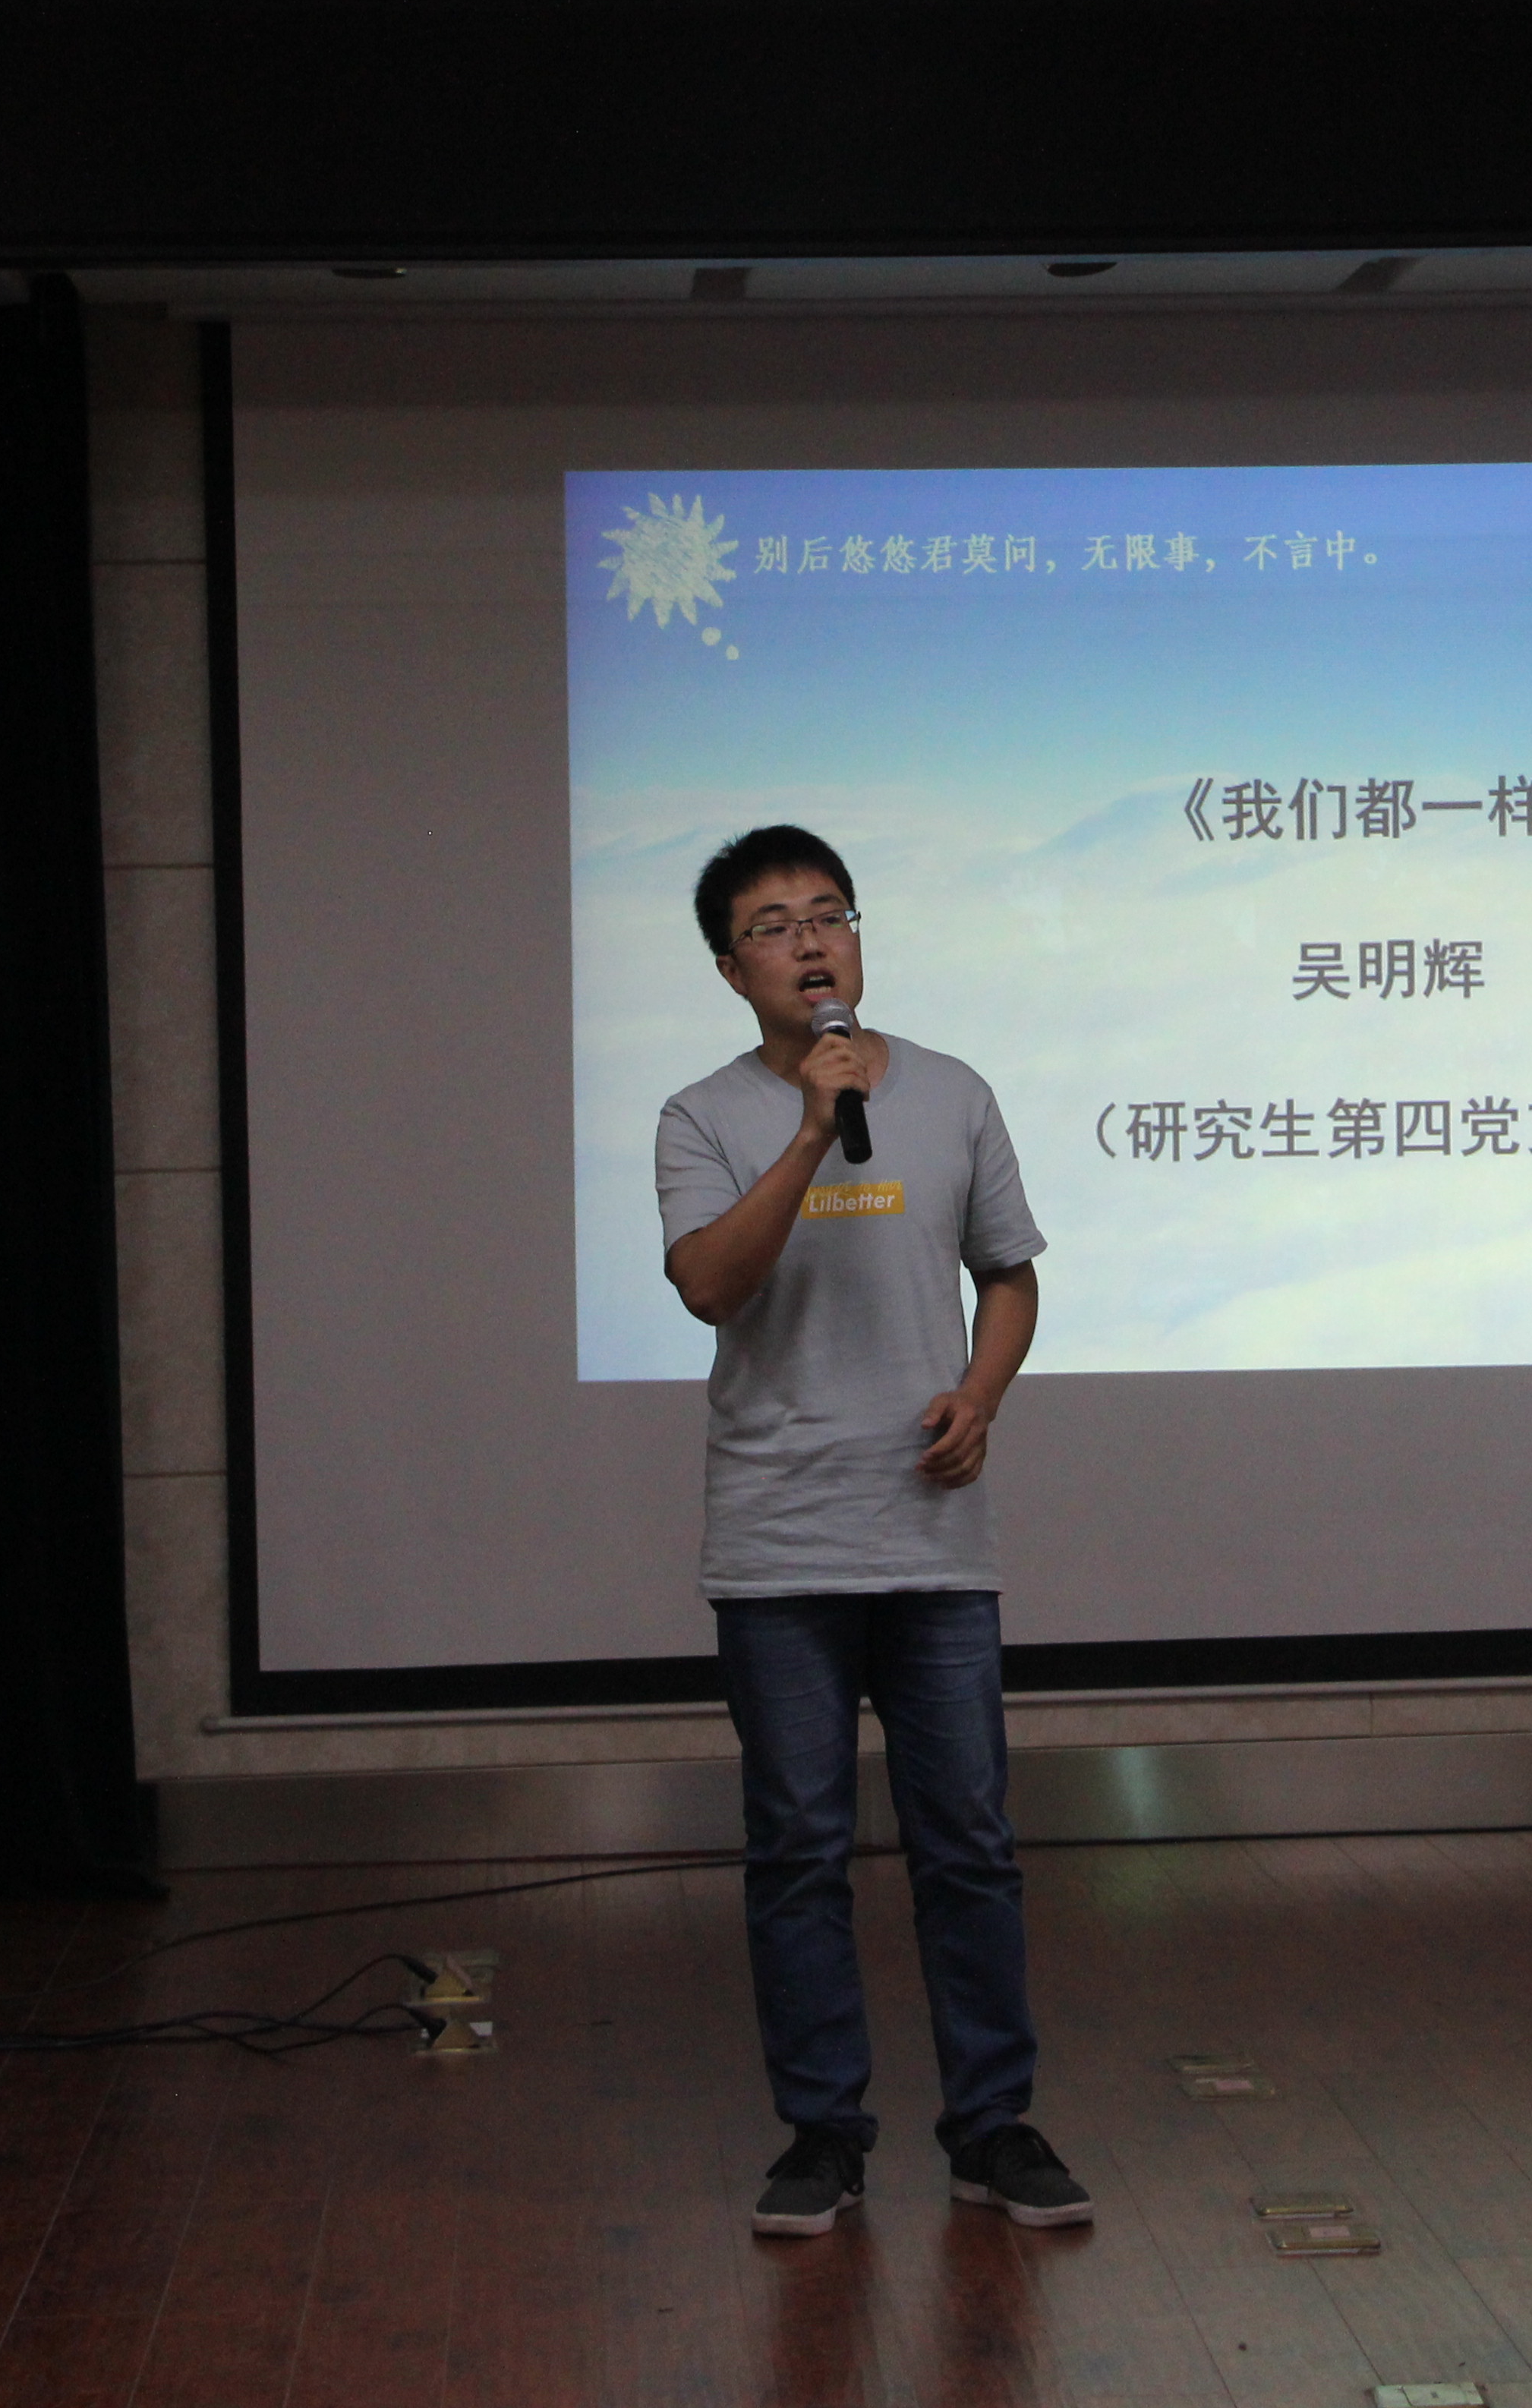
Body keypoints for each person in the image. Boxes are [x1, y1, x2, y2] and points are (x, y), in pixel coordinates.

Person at [655, 825, 1089, 2239]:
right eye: (775, 925)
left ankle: (992, 2126)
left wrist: (983, 1392)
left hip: (931, 1540)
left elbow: (1008, 1274)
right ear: (733, 969)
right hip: (780, 1545)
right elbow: (710, 1286)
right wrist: (808, 1131)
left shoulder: (955, 1092)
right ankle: (823, 2137)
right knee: (798, 1849)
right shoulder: (700, 1116)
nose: (811, 941)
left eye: (830, 914)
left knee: (969, 1844)